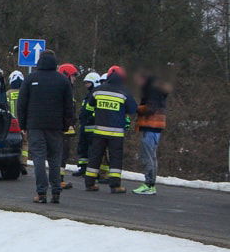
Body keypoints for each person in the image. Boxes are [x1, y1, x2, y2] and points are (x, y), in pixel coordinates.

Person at [16, 50, 74, 204]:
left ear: (39, 61)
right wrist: (65, 125)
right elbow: (69, 106)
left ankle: (41, 193)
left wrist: (23, 125)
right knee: (55, 158)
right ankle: (56, 192)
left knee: (39, 158)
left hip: (35, 125)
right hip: (56, 126)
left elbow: (21, 104)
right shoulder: (63, 80)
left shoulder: (30, 79)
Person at [84, 65, 137, 194]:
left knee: (95, 157)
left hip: (99, 131)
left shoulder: (98, 90)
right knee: (115, 158)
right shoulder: (124, 92)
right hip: (116, 133)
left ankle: (89, 183)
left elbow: (89, 107)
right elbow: (132, 109)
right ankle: (115, 186)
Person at [132, 73, 171, 195]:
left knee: (147, 156)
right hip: (156, 127)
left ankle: (148, 184)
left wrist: (136, 108)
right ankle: (151, 184)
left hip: (150, 126)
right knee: (152, 156)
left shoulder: (151, 90)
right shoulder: (159, 90)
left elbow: (150, 108)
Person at [73, 72, 101, 176]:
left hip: (92, 128)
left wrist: (91, 118)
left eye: (88, 83)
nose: (86, 85)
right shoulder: (88, 95)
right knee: (82, 148)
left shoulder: (96, 94)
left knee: (91, 150)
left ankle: (91, 170)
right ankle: (83, 168)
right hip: (85, 127)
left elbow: (96, 110)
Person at [57, 63, 79, 190]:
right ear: (67, 75)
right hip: (62, 128)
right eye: (73, 76)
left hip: (63, 127)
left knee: (62, 154)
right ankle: (58, 180)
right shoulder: (65, 89)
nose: (75, 79)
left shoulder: (65, 89)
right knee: (61, 154)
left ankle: (58, 179)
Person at [6, 70, 28, 175]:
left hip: (11, 125)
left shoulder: (7, 95)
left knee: (12, 144)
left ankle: (13, 162)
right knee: (24, 144)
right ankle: (23, 163)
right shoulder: (26, 94)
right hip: (24, 124)